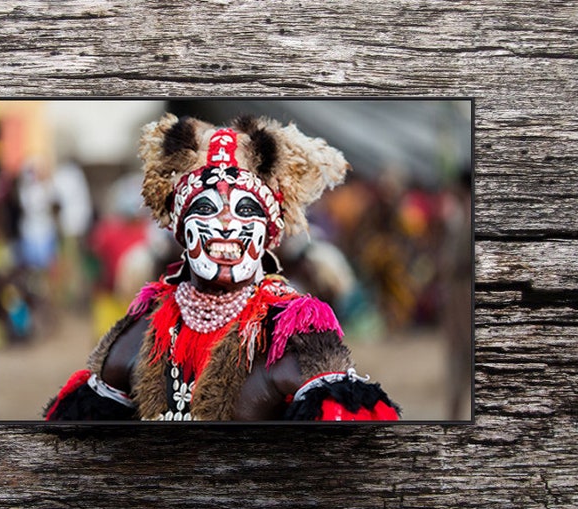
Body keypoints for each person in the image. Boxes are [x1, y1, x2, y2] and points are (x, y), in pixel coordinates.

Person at [44, 113, 400, 421]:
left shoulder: (294, 339)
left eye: (246, 210)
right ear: (180, 231)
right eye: (206, 208)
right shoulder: (137, 334)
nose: (227, 223)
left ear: (268, 234)